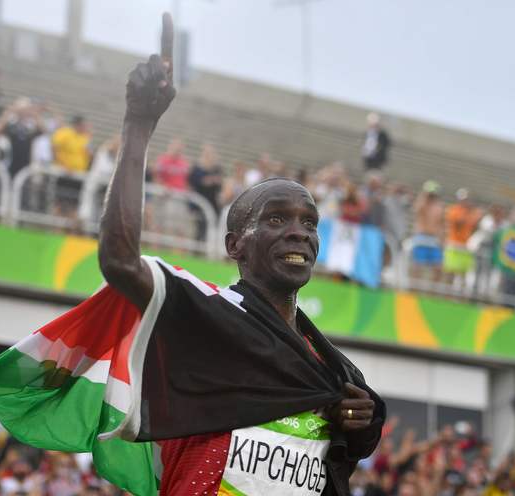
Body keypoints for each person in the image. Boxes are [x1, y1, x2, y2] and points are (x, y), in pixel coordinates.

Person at [98, 15, 384, 494]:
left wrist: (359, 421)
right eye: (276, 220)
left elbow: (345, 454)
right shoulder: (206, 315)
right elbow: (120, 262)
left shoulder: (330, 368)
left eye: (309, 223)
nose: (299, 234)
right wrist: (139, 126)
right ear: (235, 245)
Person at [0, 97, 44, 177]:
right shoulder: (11, 125)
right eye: (21, 109)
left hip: (25, 169)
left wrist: (34, 114)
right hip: (7, 165)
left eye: (25, 109)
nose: (23, 112)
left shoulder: (30, 127)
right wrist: (9, 112)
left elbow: (43, 130)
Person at [443, 189, 484, 290]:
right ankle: (445, 292)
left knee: (464, 272)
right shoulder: (454, 210)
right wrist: (470, 214)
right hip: (454, 244)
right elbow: (459, 223)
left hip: (466, 245)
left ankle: (460, 295)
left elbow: (475, 227)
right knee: (450, 270)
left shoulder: (472, 212)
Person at [409, 181, 445, 282]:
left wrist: (442, 240)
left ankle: (431, 293)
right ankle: (414, 291)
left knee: (438, 268)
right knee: (417, 266)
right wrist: (424, 195)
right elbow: (417, 210)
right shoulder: (422, 203)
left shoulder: (439, 207)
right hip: (421, 237)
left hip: (433, 239)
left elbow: (440, 224)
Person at [188, 143, 223, 241]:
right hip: (199, 200)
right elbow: (193, 182)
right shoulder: (196, 167)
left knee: (210, 225)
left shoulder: (217, 168)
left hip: (212, 201)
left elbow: (219, 184)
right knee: (199, 225)